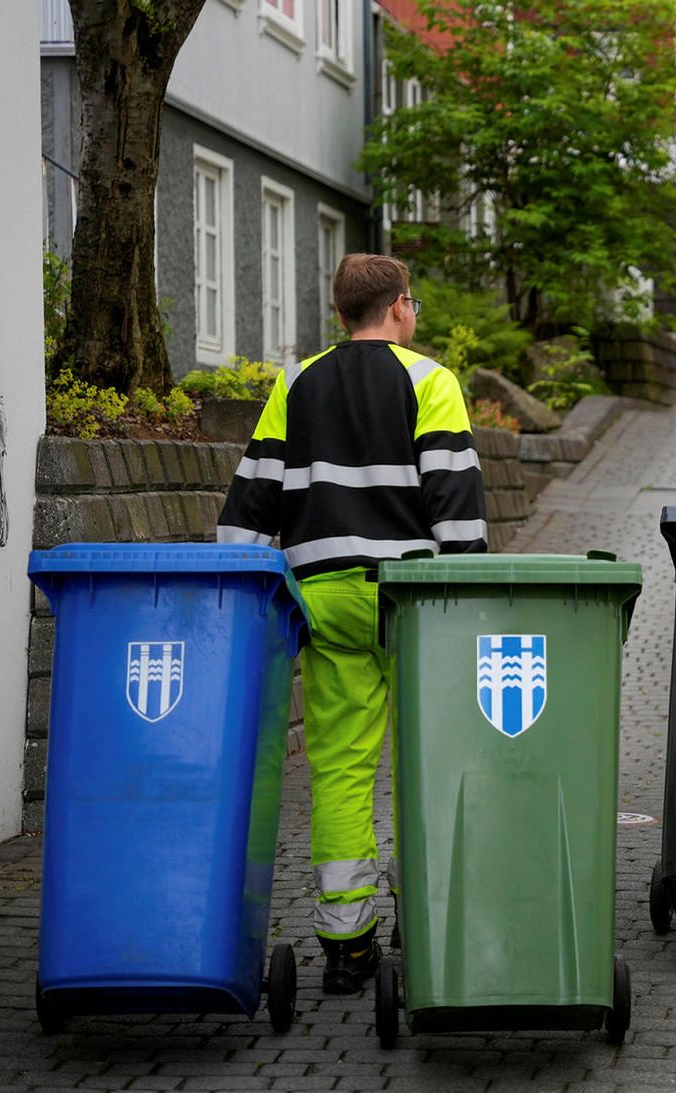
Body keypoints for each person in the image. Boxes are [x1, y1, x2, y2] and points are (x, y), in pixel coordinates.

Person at [217, 254, 486, 992]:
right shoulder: (431, 381)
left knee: (340, 763)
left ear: (341, 315)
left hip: (327, 594)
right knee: (431, 757)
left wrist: (232, 597)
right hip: (416, 597)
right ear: (400, 305)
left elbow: (250, 504)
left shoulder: (296, 383)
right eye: (415, 304)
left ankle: (348, 944)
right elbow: (456, 509)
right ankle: (426, 913)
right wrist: (475, 596)